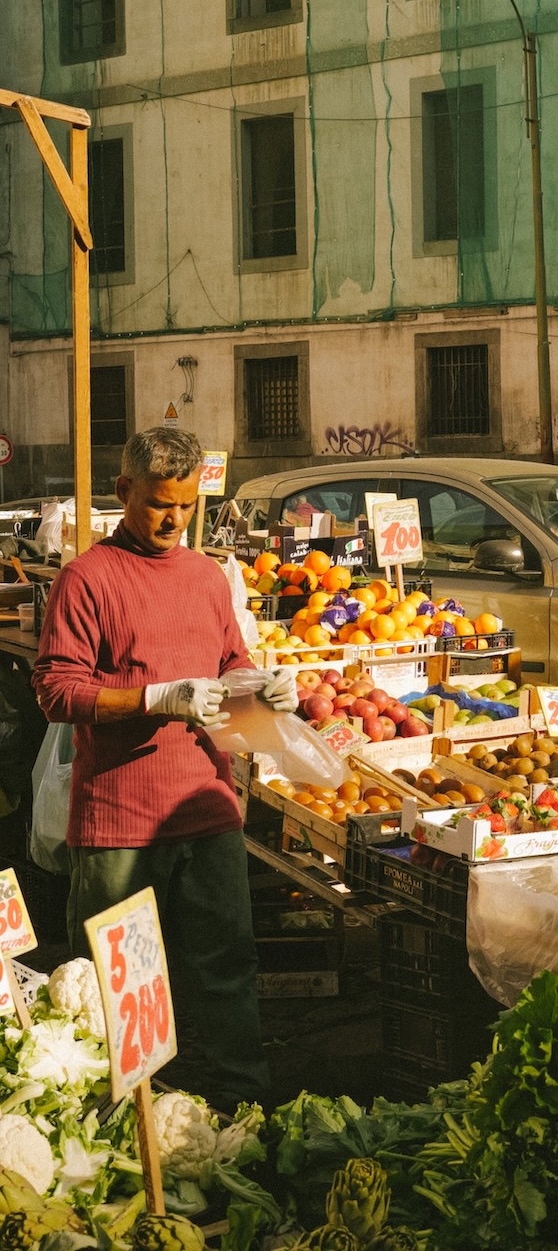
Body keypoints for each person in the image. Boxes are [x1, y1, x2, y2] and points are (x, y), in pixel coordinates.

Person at [32, 426, 298, 1107]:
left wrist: (260, 685)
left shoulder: (208, 577)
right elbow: (58, 690)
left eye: (185, 505)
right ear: (124, 492)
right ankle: (118, 1117)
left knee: (226, 966)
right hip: (119, 821)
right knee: (119, 979)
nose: (174, 519)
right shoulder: (86, 578)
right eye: (159, 505)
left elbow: (229, 660)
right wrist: (156, 697)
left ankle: (244, 1106)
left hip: (206, 807)